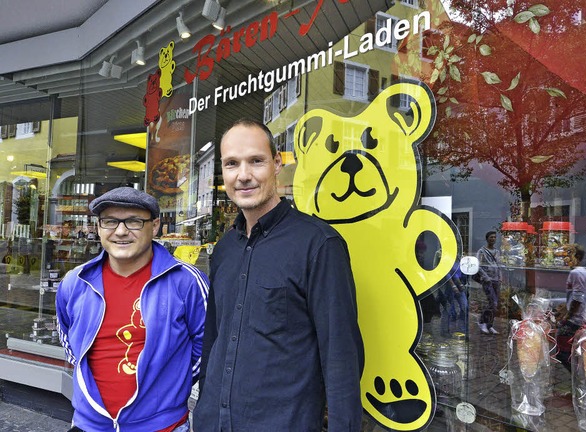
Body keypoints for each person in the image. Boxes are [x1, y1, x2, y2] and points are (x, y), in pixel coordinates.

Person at [193, 119, 363, 431]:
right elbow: (213, 340)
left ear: (276, 164)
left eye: (256, 161)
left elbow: (341, 358)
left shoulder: (319, 244)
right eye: (232, 164)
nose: (243, 175)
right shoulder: (225, 249)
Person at [55, 187, 209, 432]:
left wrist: (169, 387)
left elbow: (206, 348)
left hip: (162, 427)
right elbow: (68, 339)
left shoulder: (186, 281)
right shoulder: (76, 282)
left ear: (155, 226)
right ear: (98, 227)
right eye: (110, 221)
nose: (120, 231)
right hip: (89, 425)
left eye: (134, 221)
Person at [556, 245, 586, 369]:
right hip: (581, 318)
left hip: (576, 320)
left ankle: (578, 378)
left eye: (568, 255)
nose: (565, 258)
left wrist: (567, 316)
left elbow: (578, 298)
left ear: (577, 257)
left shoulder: (576, 272)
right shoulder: (581, 272)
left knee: (563, 353)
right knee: (573, 352)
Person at [476, 231, 501, 335]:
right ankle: (482, 322)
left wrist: (500, 277)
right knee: (493, 303)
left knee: (495, 304)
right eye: (491, 237)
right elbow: (478, 265)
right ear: (487, 238)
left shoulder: (497, 251)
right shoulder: (482, 251)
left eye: (494, 237)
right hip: (488, 280)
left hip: (496, 280)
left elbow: (499, 265)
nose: (493, 239)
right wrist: (485, 277)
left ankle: (490, 325)